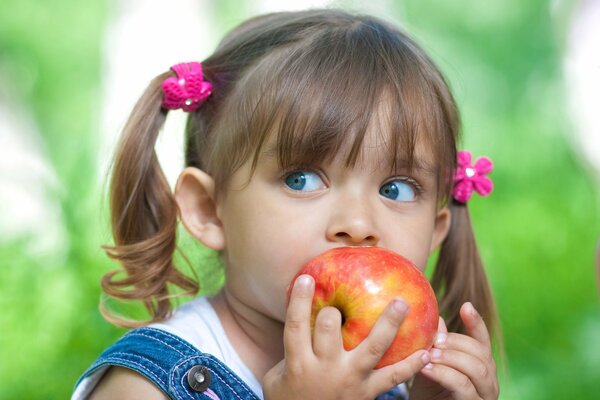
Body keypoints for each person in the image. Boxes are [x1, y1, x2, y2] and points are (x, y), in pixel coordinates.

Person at [72, 8, 500, 400]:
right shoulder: (144, 387)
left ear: (435, 230)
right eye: (302, 179)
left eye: (396, 189)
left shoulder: (397, 380)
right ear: (207, 210)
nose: (357, 223)